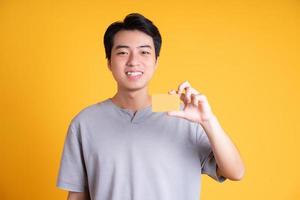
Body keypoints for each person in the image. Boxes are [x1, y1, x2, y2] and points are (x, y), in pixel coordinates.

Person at [56, 13, 245, 200]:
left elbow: (235, 172)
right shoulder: (86, 121)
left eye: (144, 52)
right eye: (122, 52)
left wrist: (208, 121)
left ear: (156, 62)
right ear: (109, 62)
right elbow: (78, 195)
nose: (133, 61)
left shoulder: (181, 111)